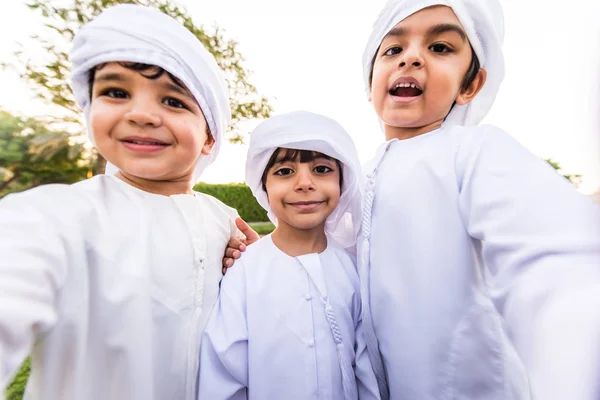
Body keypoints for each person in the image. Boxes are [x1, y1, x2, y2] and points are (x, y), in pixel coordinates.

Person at [226, 1, 600, 399]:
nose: (412, 58)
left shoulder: (473, 153)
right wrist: (270, 259)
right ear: (369, 83)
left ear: (470, 85)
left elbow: (554, 260)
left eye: (440, 47)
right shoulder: (355, 177)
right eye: (392, 50)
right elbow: (331, 264)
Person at [0, 5, 240, 399]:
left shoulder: (224, 220)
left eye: (174, 101)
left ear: (210, 135)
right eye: (116, 92)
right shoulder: (58, 216)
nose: (142, 114)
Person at [199, 111, 380, 399]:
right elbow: (223, 372)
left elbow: (368, 371)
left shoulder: (353, 269)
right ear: (264, 186)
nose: (304, 183)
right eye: (284, 171)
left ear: (343, 183)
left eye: (321, 169)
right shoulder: (244, 270)